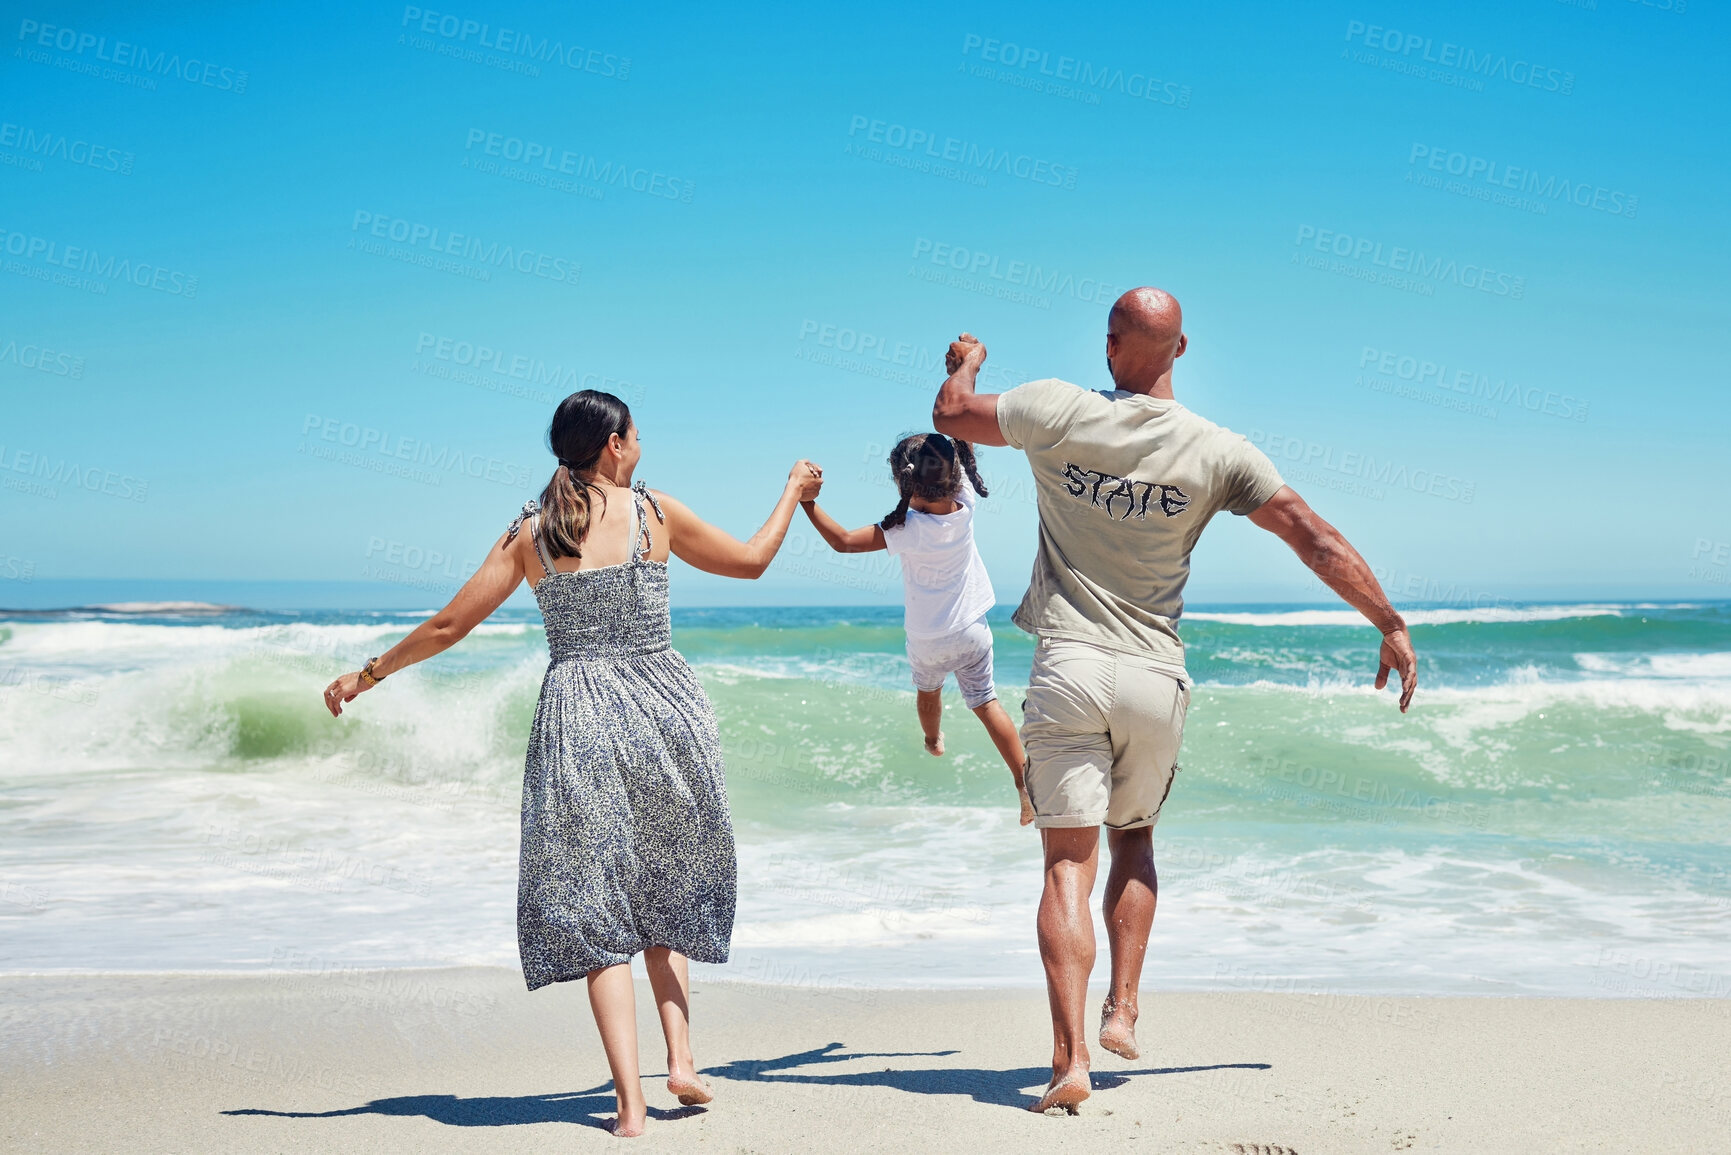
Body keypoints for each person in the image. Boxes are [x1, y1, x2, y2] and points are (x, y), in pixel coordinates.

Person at [931, 288, 1419, 1114]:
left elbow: (951, 416)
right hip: (1154, 674)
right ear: (1182, 349)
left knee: (1064, 865)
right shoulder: (1216, 450)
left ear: (1111, 342)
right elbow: (1313, 536)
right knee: (1136, 838)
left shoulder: (1056, 409)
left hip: (1070, 664)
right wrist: (1389, 621)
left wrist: (965, 363)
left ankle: (1070, 1060)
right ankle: (1123, 1007)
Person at [321, 389, 824, 1137]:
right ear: (614, 444)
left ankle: (628, 1105)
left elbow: (452, 622)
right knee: (668, 885)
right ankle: (680, 1060)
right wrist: (790, 492)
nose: (641, 441)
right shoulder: (656, 513)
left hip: (578, 712)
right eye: (636, 432)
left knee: (597, 911)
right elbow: (751, 562)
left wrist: (368, 674)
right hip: (664, 708)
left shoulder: (532, 530)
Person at [799, 432, 1034, 824]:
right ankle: (1025, 785)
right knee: (986, 703)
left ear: (902, 482)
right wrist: (961, 376)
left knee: (929, 694)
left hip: (927, 639)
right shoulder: (965, 504)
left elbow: (841, 541)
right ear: (954, 473)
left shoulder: (906, 529)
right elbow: (964, 441)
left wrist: (808, 503)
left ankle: (933, 739)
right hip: (971, 631)